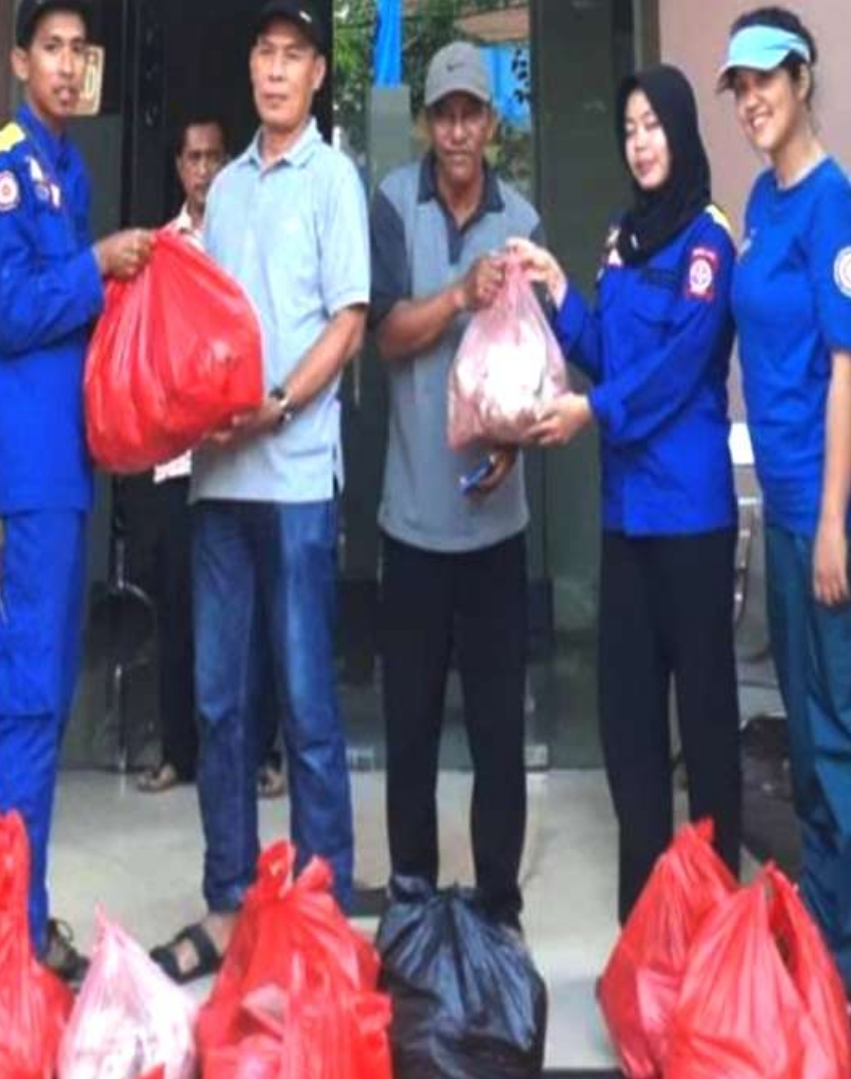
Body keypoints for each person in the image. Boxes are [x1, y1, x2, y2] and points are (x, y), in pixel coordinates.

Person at [152, 0, 368, 983]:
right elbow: (205, 329)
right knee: (217, 700)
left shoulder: (334, 180)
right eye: (265, 55)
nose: (277, 72)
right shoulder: (224, 192)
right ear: (251, 69)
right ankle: (229, 897)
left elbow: (350, 321)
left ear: (317, 74)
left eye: (295, 57)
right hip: (216, 483)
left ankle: (319, 908)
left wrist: (278, 402)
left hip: (293, 480)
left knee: (308, 700)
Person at [510, 65, 742, 925]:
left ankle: (718, 927)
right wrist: (560, 290)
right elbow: (607, 347)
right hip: (626, 516)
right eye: (631, 128)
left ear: (682, 132)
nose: (642, 142)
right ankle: (647, 928)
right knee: (629, 724)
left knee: (708, 724)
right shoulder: (623, 234)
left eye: (655, 126)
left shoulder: (707, 241)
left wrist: (589, 412)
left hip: (690, 514)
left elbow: (679, 371)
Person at [0, 0, 152, 982]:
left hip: (66, 470)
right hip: (32, 474)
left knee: (48, 687)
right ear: (20, 58)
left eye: (82, 51)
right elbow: (17, 309)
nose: (69, 66)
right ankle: (10, 931)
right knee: (31, 700)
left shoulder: (62, 169)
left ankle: (20, 915)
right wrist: (98, 262)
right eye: (53, 49)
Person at [367, 42, 540, 931]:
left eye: (474, 112)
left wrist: (514, 439)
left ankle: (499, 907)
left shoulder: (525, 220)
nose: (460, 129)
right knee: (411, 734)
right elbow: (389, 333)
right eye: (446, 114)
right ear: (429, 126)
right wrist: (459, 295)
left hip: (497, 530)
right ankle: (411, 899)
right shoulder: (395, 202)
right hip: (414, 526)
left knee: (499, 739)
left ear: (491, 123)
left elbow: (532, 368)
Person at [714, 6, 851, 986]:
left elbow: (849, 368)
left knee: (836, 734)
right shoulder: (761, 202)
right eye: (741, 85)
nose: (751, 98)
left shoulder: (832, 202)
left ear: (804, 79)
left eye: (766, 78)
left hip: (827, 507)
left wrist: (835, 520)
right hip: (788, 500)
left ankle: (841, 954)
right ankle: (825, 931)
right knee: (805, 736)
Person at [141, 117, 288, 800]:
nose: (203, 170)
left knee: (251, 610)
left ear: (227, 165)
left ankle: (260, 751)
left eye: (213, 157)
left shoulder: (246, 236)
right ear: (178, 167)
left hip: (240, 451)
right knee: (176, 607)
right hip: (176, 458)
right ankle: (180, 751)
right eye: (192, 157)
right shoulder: (160, 248)